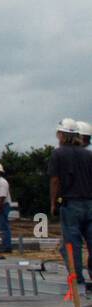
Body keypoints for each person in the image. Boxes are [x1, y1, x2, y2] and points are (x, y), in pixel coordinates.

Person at [49, 118, 92, 287]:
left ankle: (77, 279)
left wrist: (53, 202)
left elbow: (55, 180)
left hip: (70, 203)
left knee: (72, 243)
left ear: (61, 135)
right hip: (90, 203)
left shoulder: (58, 154)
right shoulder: (88, 155)